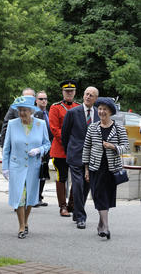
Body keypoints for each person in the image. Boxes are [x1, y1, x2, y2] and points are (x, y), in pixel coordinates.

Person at [2, 96, 51, 239]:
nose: (22, 113)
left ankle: (26, 221)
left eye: (24, 110)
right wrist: (5, 167)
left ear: (31, 111)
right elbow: (7, 147)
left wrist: (39, 150)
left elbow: (47, 144)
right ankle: (21, 226)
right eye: (20, 110)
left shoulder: (40, 124)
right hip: (16, 166)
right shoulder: (12, 124)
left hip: (33, 166)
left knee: (30, 196)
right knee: (19, 196)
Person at [82, 97, 130, 239]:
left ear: (110, 112)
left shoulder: (119, 128)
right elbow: (86, 148)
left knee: (105, 197)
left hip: (111, 168)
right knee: (99, 195)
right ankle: (106, 226)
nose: (102, 112)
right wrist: (86, 169)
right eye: (100, 109)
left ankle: (101, 225)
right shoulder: (92, 127)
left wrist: (113, 147)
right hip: (95, 168)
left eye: (105, 109)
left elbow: (126, 148)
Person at [62, 87, 99, 229]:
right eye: (86, 94)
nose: (88, 97)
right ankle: (81, 218)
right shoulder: (72, 113)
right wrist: (70, 151)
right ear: (83, 95)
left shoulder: (98, 113)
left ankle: (77, 212)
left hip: (92, 157)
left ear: (95, 99)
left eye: (92, 95)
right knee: (78, 185)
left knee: (86, 186)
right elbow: (65, 135)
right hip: (75, 155)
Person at [49, 80, 80, 217]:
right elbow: (54, 129)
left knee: (76, 178)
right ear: (62, 92)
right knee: (61, 177)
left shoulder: (79, 107)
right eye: (67, 91)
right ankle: (62, 206)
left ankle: (72, 204)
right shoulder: (55, 107)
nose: (69, 93)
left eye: (71, 91)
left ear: (74, 92)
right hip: (60, 149)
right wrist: (70, 140)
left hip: (75, 150)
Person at [33, 91, 53, 207]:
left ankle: (39, 196)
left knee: (43, 173)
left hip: (47, 147)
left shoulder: (48, 114)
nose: (43, 101)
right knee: (35, 174)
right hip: (36, 148)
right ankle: (33, 197)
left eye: (45, 98)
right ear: (36, 100)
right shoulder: (33, 113)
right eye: (41, 99)